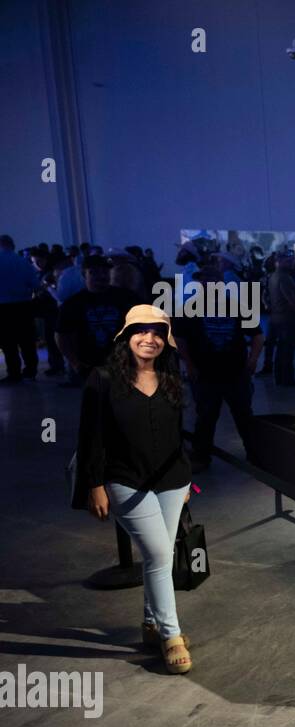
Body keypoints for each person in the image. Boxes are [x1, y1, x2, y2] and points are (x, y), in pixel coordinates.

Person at [74, 305, 194, 674]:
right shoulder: (103, 379)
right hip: (126, 481)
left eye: (158, 332)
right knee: (159, 556)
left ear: (166, 340)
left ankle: (150, 624)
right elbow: (91, 436)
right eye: (141, 331)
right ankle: (171, 635)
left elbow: (176, 434)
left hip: (173, 481)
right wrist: (94, 484)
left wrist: (188, 480)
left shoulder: (172, 378)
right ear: (126, 337)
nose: (150, 338)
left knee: (157, 557)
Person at [173, 254, 264, 472]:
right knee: (205, 418)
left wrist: (252, 360)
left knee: (244, 417)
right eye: (204, 279)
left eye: (212, 279)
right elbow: (180, 339)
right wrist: (190, 365)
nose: (208, 283)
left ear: (220, 282)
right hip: (205, 375)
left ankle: (257, 456)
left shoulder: (237, 306)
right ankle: (201, 457)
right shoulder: (189, 308)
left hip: (235, 373)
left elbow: (258, 335)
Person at [56, 254, 141, 386]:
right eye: (93, 272)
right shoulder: (73, 304)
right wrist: (75, 363)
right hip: (90, 365)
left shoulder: (127, 298)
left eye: (104, 271)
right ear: (84, 275)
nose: (101, 276)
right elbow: (62, 336)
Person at [0, 234, 42, 383]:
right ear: (12, 245)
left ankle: (14, 373)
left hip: (3, 308)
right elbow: (36, 286)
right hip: (24, 306)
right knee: (27, 341)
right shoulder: (23, 262)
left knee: (8, 343)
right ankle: (31, 371)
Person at [265, 248, 295, 385]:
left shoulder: (273, 276)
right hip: (287, 319)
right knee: (287, 351)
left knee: (281, 350)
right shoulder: (285, 278)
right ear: (280, 262)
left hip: (276, 318)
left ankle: (280, 378)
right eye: (289, 260)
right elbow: (292, 300)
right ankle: (287, 379)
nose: (292, 263)